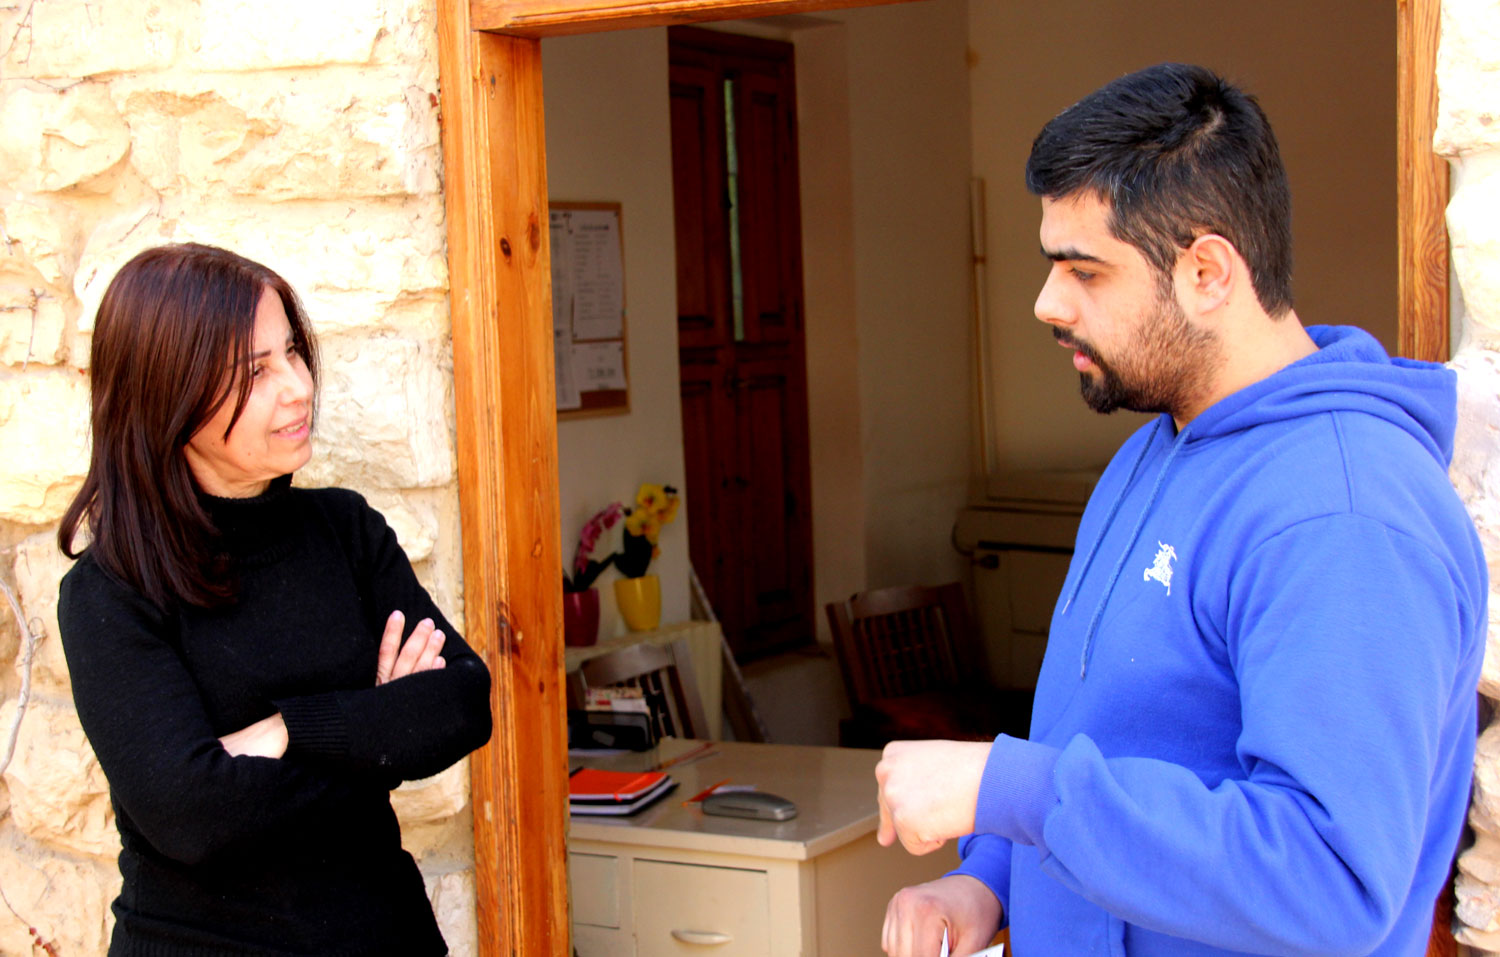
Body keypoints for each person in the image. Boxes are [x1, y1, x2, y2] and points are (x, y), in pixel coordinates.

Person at [876, 63, 1488, 956]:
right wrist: (986, 881)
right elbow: (1113, 738)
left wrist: (1009, 788)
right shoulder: (1152, 453)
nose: (1047, 303)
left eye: (1085, 269)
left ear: (1208, 271)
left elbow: (1329, 880)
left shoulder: (1345, 517)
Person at [56, 243, 493, 956]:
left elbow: (462, 702)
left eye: (292, 352)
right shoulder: (112, 592)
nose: (297, 386)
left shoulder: (345, 531)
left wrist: (283, 732)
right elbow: (191, 815)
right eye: (256, 372)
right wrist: (377, 730)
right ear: (169, 395)